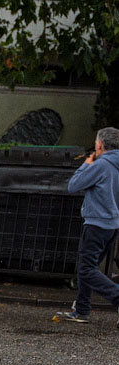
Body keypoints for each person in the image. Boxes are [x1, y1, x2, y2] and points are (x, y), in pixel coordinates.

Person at [55, 126, 119, 324]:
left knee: (86, 270)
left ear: (100, 145)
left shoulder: (102, 165)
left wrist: (86, 165)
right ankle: (82, 308)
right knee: (89, 267)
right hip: (113, 224)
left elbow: (73, 185)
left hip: (96, 223)